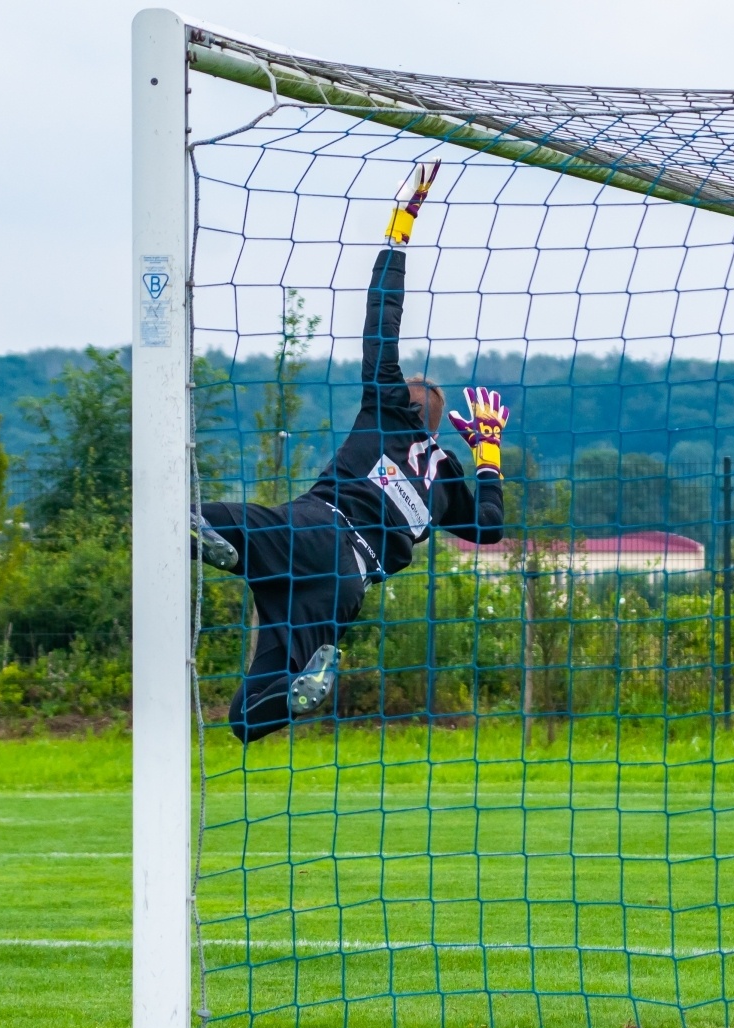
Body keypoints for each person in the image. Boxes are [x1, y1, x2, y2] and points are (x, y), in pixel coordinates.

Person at [194, 162, 510, 743]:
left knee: (189, 517)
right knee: (245, 718)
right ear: (439, 430)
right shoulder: (444, 478)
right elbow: (488, 529)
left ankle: (228, 547)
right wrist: (487, 455)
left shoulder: (387, 408)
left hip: (318, 533)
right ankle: (292, 691)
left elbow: (380, 323)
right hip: (346, 584)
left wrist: (399, 230)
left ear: (406, 404)